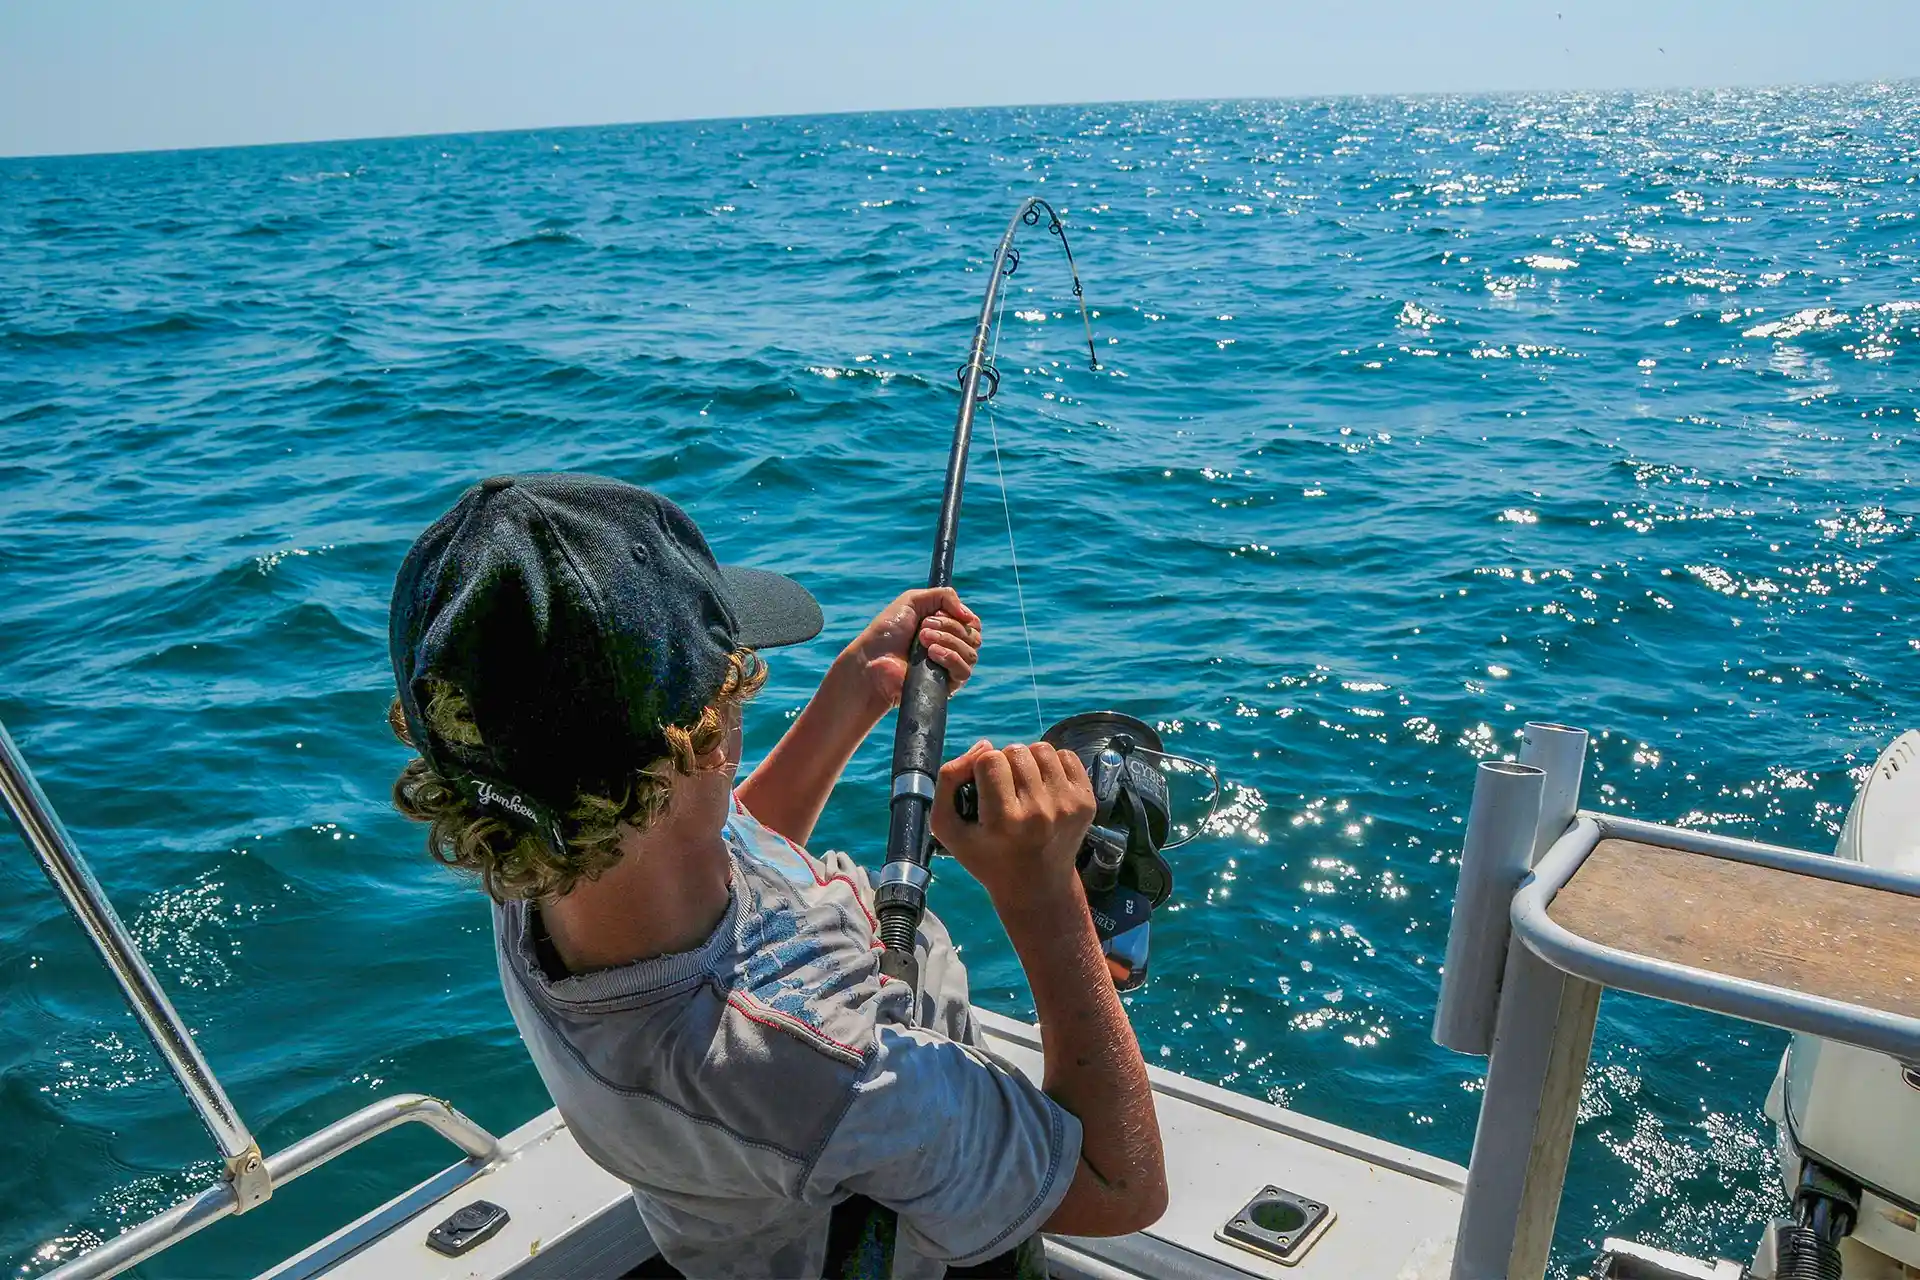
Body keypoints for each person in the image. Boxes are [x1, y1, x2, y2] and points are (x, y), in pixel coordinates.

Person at [386, 472, 1166, 1279]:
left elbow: (712, 847)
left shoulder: (536, 854)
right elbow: (1120, 1189)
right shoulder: (824, 1071)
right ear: (699, 742)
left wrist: (858, 690)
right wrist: (1042, 893)